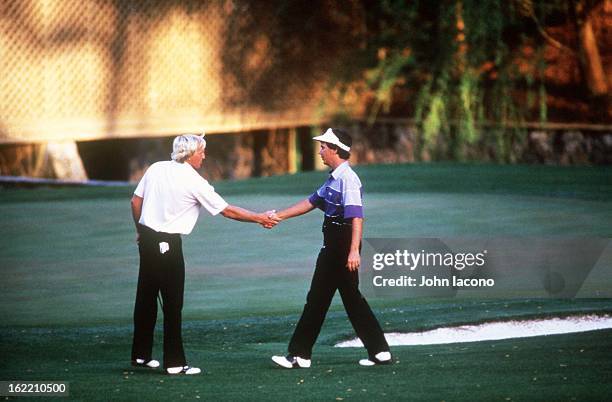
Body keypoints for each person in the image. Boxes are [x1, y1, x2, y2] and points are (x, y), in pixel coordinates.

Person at [130, 133, 279, 375]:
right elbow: (227, 211)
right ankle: (175, 363)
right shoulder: (194, 181)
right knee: (172, 304)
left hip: (147, 240)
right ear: (190, 154)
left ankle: (140, 356)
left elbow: (135, 203)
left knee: (145, 299)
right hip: (167, 243)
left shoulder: (156, 168)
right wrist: (259, 218)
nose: (204, 155)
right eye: (202, 151)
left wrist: (140, 231)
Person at [271, 128, 391, 368]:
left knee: (317, 299)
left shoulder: (348, 180)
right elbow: (311, 202)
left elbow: (357, 217)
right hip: (336, 244)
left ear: (335, 149)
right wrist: (277, 216)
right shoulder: (334, 178)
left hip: (340, 246)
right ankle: (380, 352)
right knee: (351, 300)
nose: (320, 151)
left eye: (324, 147)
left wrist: (354, 250)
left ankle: (299, 355)